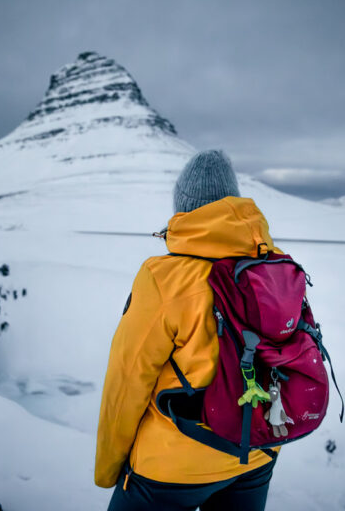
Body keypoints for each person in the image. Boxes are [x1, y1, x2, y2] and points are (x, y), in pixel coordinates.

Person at [95, 150, 281, 511]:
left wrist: (108, 469)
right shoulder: (274, 267)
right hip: (256, 450)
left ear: (183, 211)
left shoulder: (163, 277)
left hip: (171, 467)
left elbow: (128, 379)